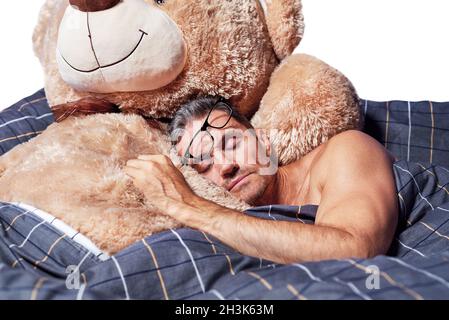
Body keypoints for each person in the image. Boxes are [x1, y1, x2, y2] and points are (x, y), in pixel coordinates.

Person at [124, 96, 398, 264]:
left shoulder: (345, 149)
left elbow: (355, 251)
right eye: (204, 165)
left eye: (232, 143)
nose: (226, 166)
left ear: (264, 142)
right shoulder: (234, 235)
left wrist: (188, 205)